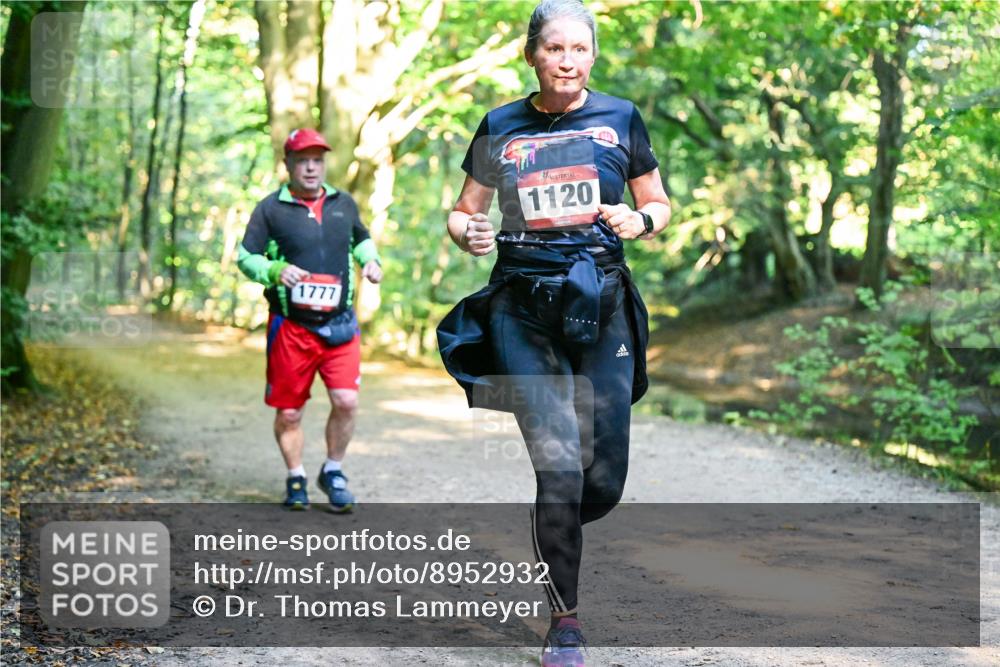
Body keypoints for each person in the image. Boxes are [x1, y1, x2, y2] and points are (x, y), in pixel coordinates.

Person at [436, 1, 670, 664]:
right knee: (560, 464)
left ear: (593, 55)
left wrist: (640, 221)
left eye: (580, 49)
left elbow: (658, 202)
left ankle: (554, 521)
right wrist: (470, 234)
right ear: (531, 54)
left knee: (603, 478)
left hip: (601, 303)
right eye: (555, 49)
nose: (568, 61)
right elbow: (464, 213)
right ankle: (565, 619)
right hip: (521, 307)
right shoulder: (501, 125)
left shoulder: (622, 117)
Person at [237, 128, 383, 513]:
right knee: (289, 412)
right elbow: (246, 257)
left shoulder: (343, 203)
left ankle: (333, 471)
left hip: (340, 324)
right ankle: (296, 476)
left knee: (347, 401)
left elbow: (361, 238)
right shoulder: (269, 209)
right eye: (303, 160)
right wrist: (274, 270)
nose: (311, 168)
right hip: (291, 327)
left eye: (317, 160)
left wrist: (371, 260)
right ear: (288, 164)